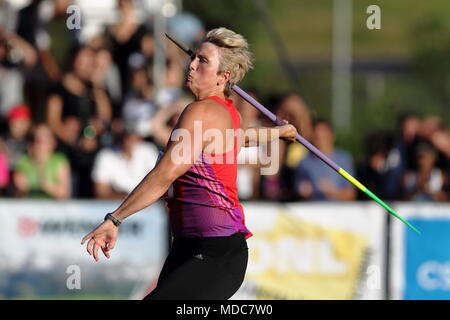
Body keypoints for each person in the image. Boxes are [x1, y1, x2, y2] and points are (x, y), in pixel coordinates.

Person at [81, 27, 297, 300]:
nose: (191, 64)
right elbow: (237, 140)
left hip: (213, 253)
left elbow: (165, 174)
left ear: (223, 77)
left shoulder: (201, 111)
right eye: (194, 57)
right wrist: (277, 132)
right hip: (192, 248)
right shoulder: (227, 110)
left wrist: (115, 218)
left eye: (203, 61)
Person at [295, 118, 356, 201]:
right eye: (316, 136)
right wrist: (303, 192)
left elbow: (351, 193)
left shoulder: (344, 159)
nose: (320, 139)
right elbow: (298, 191)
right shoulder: (304, 163)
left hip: (339, 211)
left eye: (323, 135)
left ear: (332, 136)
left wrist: (333, 192)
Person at [13, 123, 71, 199]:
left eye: (46, 137)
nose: (41, 142)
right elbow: (19, 188)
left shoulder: (59, 161)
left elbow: (64, 193)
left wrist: (47, 185)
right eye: (38, 138)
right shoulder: (24, 160)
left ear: (53, 142)